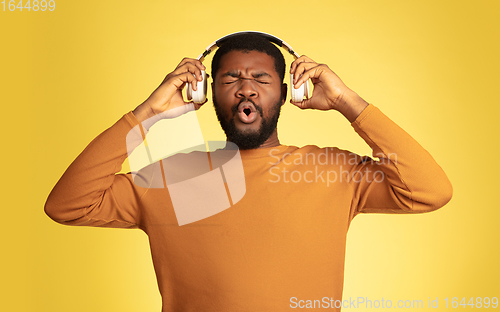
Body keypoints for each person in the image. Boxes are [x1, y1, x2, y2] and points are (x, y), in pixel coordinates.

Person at [45, 33, 452, 311]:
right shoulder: (170, 178)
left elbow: (430, 190)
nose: (246, 88)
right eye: (231, 78)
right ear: (206, 92)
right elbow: (67, 205)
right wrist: (146, 115)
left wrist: (348, 102)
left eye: (260, 77)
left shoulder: (331, 170)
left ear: (289, 91)